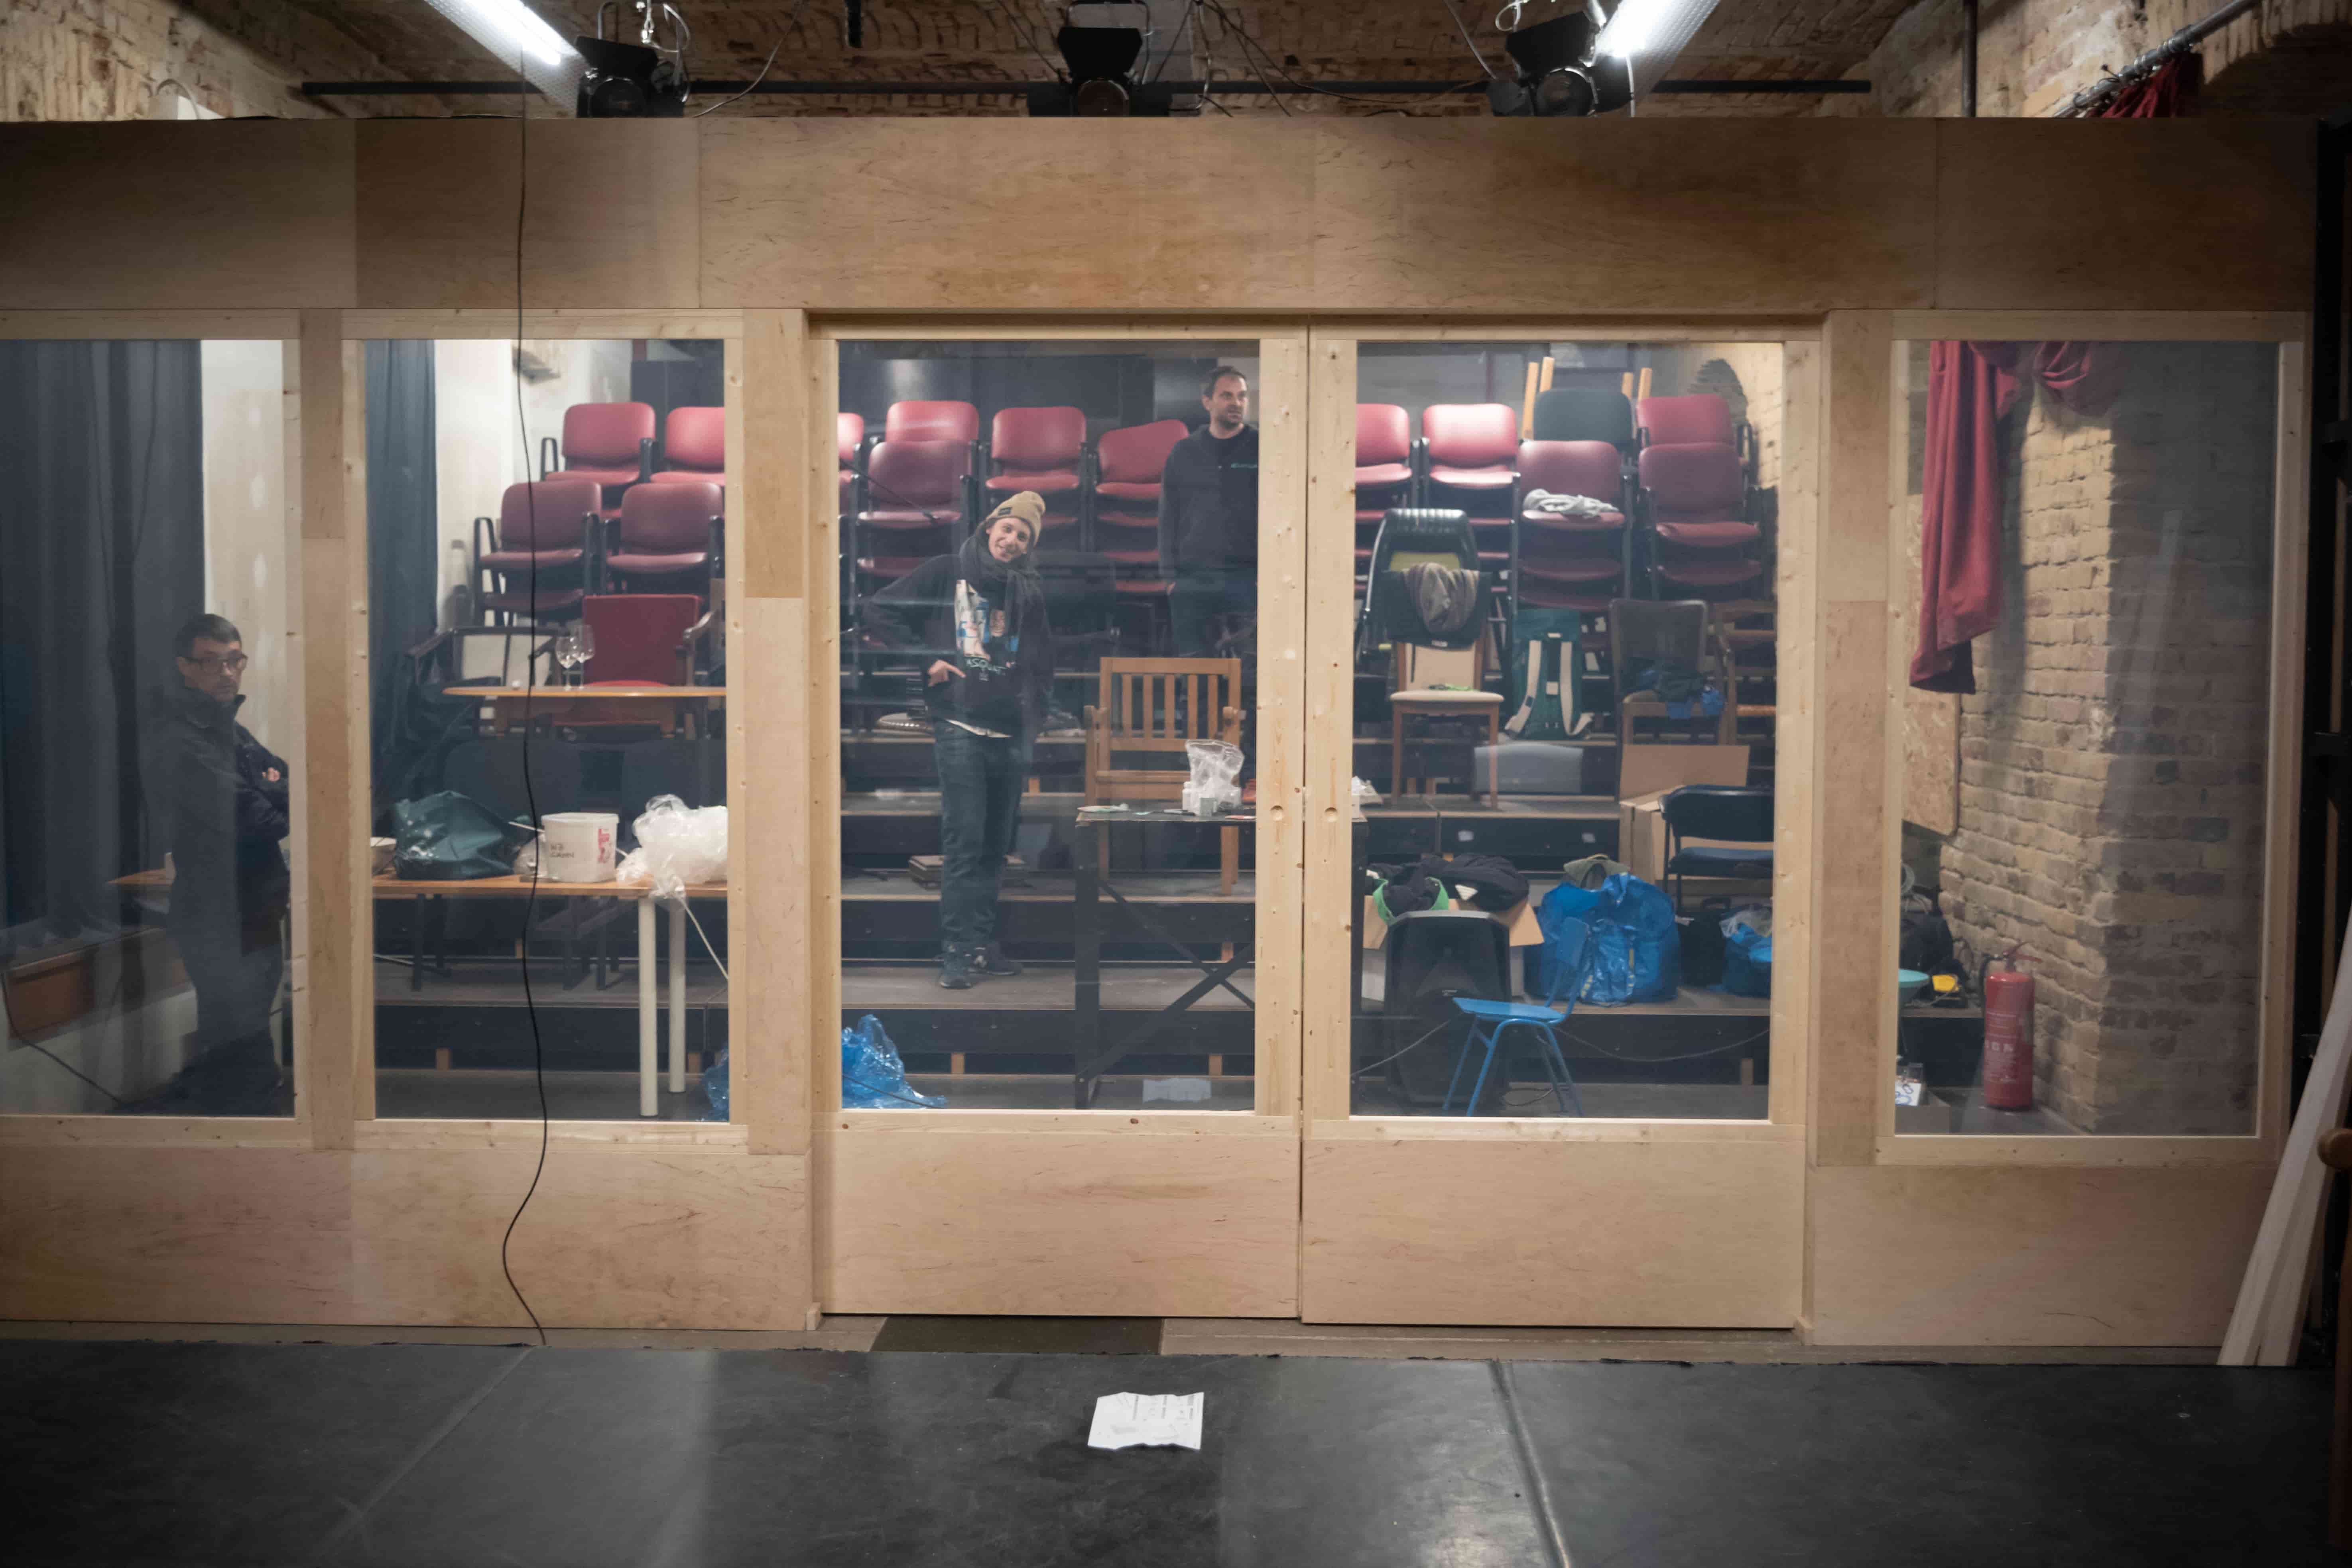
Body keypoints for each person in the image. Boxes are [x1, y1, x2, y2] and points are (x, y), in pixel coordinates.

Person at [864, 492, 1055, 990]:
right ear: (990, 526)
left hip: (1009, 730)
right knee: (965, 843)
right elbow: (879, 609)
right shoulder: (948, 570)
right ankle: (955, 951)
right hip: (960, 726)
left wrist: (1035, 717)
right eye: (1007, 529)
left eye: (1023, 537)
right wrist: (927, 657)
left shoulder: (1028, 590)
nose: (1011, 541)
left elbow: (1041, 660)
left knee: (996, 847)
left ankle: (983, 945)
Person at [134, 614, 291, 1115]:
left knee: (248, 1026)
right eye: (212, 662)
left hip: (256, 901)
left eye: (234, 660)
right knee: (234, 1031)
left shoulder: (230, 728)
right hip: (217, 905)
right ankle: (239, 1143)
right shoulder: (180, 738)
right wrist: (271, 789)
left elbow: (286, 780)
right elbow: (264, 818)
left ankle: (253, 1132)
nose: (227, 673)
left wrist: (270, 787)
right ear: (185, 667)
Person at [1158, 364, 1259, 657]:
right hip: (1192, 577)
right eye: (1227, 396)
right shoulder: (1183, 452)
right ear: (1207, 402)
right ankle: (1197, 705)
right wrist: (1171, 579)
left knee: (1252, 669)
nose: (1236, 403)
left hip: (1246, 575)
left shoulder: (1262, 447)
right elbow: (1168, 517)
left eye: (1242, 396)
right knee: (1194, 670)